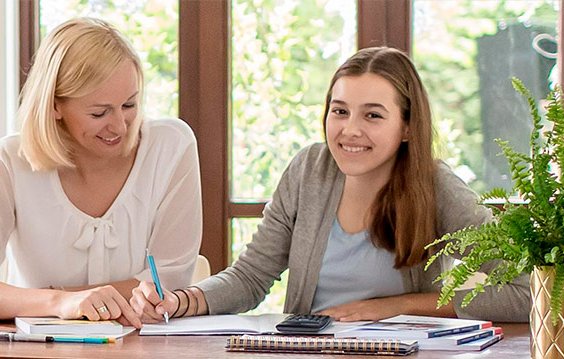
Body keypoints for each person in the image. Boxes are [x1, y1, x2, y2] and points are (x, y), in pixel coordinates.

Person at [130, 46, 529, 324]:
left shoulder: (436, 186)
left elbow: (529, 294)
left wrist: (399, 305)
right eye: (340, 111)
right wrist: (184, 301)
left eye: (373, 115)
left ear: (407, 126)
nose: (350, 130)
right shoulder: (309, 170)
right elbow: (251, 278)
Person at [0, 18, 202, 327]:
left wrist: (38, 299)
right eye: (99, 112)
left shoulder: (171, 146)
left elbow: (170, 282)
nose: (120, 126)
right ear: (55, 106)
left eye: (130, 105)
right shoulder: (11, 161)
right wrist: (61, 302)